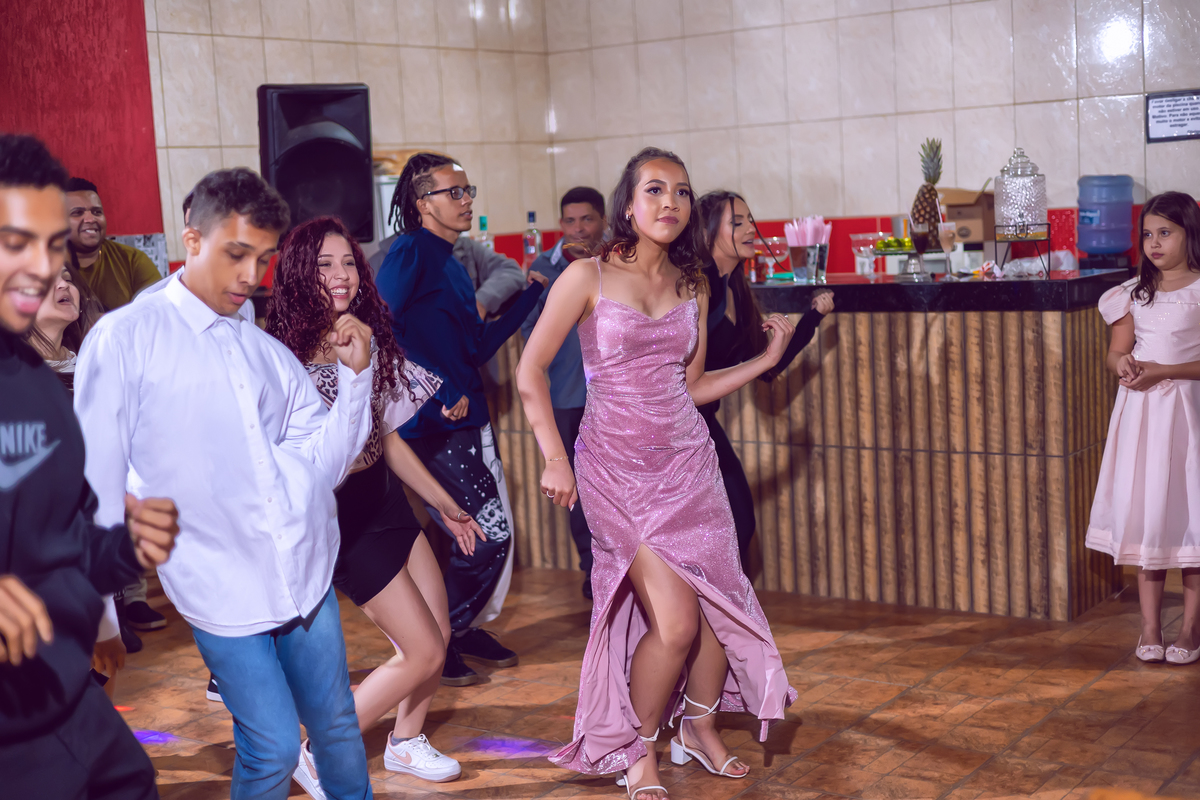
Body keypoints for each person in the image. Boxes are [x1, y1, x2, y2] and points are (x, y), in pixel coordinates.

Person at [75, 167, 377, 800]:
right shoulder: (126, 339)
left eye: (262, 259)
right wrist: (101, 615)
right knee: (271, 747)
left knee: (337, 727)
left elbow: (322, 467)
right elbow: (96, 481)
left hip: (302, 569)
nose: (251, 276)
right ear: (192, 240)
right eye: (236, 254)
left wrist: (357, 379)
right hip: (218, 581)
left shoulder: (263, 349)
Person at [516, 148, 798, 800]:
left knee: (719, 604)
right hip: (615, 471)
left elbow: (691, 387)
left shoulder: (693, 284)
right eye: (655, 189)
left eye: (681, 191)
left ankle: (695, 728)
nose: (670, 202)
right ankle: (635, 748)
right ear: (628, 203)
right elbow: (530, 369)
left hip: (689, 465)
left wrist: (766, 360)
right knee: (674, 625)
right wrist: (555, 456)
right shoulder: (586, 276)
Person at [267, 216, 485, 790]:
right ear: (299, 274)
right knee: (421, 651)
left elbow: (385, 438)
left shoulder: (365, 334)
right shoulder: (281, 357)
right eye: (324, 265)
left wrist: (442, 502)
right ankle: (318, 751)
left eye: (348, 262)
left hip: (386, 503)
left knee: (438, 633)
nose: (341, 274)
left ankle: (406, 742)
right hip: (343, 521)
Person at [0, 133, 180, 800]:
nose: (41, 266)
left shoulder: (35, 382)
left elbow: (65, 542)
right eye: (16, 242)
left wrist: (127, 549)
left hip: (67, 697)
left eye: (52, 245)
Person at [375, 152, 548, 687]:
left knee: (484, 536)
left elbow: (475, 347)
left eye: (468, 190)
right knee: (488, 535)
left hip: (465, 419)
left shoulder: (450, 262)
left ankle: (457, 629)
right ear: (422, 203)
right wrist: (439, 390)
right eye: (454, 192)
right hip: (431, 426)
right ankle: (440, 636)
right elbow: (380, 327)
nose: (466, 200)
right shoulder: (410, 252)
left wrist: (532, 297)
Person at [1087, 190, 1200, 665]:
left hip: (1189, 415)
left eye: (1165, 233)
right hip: (1145, 417)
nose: (1154, 243)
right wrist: (1122, 364)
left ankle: (1191, 628)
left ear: (1189, 233)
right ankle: (1150, 626)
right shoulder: (1133, 294)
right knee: (1151, 515)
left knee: (1192, 518)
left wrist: (1166, 371)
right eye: (1148, 234)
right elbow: (1117, 350)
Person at [695, 190, 834, 573]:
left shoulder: (736, 290)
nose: (750, 229)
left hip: (703, 424)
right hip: (679, 429)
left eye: (750, 221)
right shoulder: (699, 286)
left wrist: (811, 319)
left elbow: (766, 366)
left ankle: (716, 609)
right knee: (730, 528)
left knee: (740, 524)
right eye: (737, 222)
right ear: (707, 233)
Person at [520, 186, 607, 600]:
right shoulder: (543, 267)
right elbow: (528, 330)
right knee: (580, 492)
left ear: (603, 220)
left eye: (586, 219)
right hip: (567, 399)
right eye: (570, 220)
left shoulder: (616, 262)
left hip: (611, 400)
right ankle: (593, 572)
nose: (578, 228)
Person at [64, 177, 162, 311]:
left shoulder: (132, 260)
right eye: (77, 213)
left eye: (97, 212)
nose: (90, 219)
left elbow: (158, 311)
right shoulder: (47, 267)